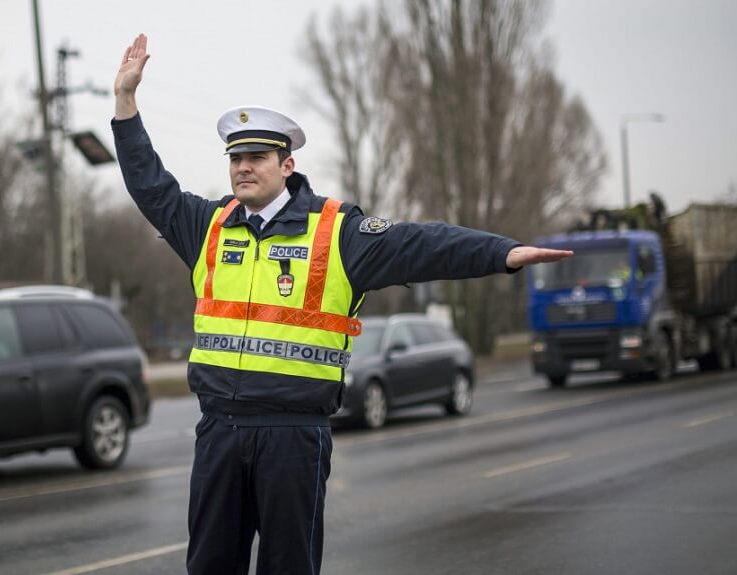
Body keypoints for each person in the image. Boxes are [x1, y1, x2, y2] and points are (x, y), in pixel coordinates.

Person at [111, 34, 573, 575]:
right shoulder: (208, 227)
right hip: (218, 431)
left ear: (287, 165)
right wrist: (125, 103)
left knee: (290, 566)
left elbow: (420, 245)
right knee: (210, 565)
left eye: (256, 156)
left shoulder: (336, 232)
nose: (242, 168)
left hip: (292, 436)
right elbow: (151, 187)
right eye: (235, 158)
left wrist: (502, 252)